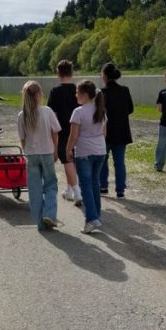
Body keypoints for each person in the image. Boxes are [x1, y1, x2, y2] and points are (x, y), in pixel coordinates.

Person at [18, 80, 60, 231]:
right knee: (51, 184)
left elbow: (22, 138)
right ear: (39, 95)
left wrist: (26, 151)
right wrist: (55, 150)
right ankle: (49, 213)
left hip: (31, 154)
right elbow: (55, 132)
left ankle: (40, 223)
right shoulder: (47, 111)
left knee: (34, 188)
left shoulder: (22, 115)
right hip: (47, 152)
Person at [66, 80, 106, 234]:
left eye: (77, 93)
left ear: (83, 95)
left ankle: (92, 219)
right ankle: (96, 216)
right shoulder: (101, 110)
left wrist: (68, 149)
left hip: (84, 152)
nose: (75, 95)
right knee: (95, 183)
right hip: (100, 151)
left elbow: (73, 136)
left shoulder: (78, 112)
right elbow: (104, 133)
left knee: (86, 186)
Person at [47, 59, 82, 205]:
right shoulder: (78, 90)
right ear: (72, 73)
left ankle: (77, 192)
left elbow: (51, 114)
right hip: (78, 129)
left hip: (62, 130)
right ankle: (69, 189)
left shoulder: (55, 91)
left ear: (58, 74)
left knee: (67, 160)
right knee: (72, 160)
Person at [100, 62, 134, 198]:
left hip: (105, 132)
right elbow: (130, 109)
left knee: (103, 160)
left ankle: (103, 186)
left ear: (105, 75)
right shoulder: (125, 90)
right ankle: (120, 190)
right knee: (119, 162)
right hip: (121, 131)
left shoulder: (102, 92)